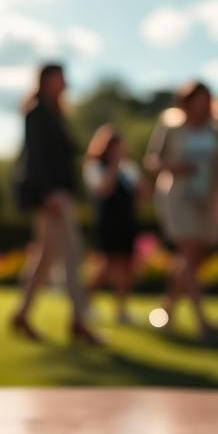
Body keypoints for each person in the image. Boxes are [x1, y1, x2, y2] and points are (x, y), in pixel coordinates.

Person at [11, 63, 100, 344]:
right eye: (60, 78)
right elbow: (36, 156)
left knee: (46, 257)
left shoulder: (54, 113)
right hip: (51, 197)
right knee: (72, 255)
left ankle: (22, 314)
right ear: (47, 80)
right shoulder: (38, 112)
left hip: (57, 194)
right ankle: (79, 320)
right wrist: (49, 192)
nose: (65, 83)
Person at [144, 81, 218, 336]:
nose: (202, 104)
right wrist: (175, 166)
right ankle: (202, 320)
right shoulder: (171, 125)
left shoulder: (215, 130)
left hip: (206, 199)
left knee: (193, 257)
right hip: (178, 196)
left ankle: (166, 308)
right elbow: (152, 161)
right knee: (189, 250)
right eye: (197, 99)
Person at [84, 125, 145, 324]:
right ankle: (85, 303)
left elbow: (142, 194)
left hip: (127, 222)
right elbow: (104, 190)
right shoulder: (94, 166)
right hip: (108, 222)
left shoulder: (129, 168)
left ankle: (121, 310)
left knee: (127, 266)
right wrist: (113, 167)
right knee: (107, 264)